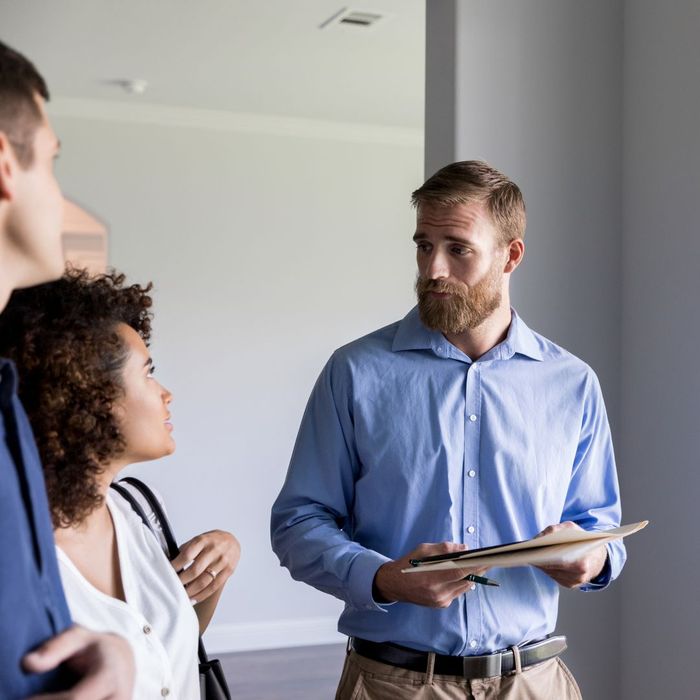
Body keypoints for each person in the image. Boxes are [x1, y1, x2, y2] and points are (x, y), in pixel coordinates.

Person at [271, 160, 625, 699]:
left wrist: (591, 558)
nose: (433, 268)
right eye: (422, 245)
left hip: (535, 682)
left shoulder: (572, 383)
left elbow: (600, 526)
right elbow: (298, 522)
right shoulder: (356, 372)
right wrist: (385, 578)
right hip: (396, 684)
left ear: (511, 255)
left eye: (458, 248)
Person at [0, 268, 241, 698]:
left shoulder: (139, 509)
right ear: (90, 396)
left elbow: (167, 652)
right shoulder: (16, 552)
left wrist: (215, 571)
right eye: (149, 372)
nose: (166, 393)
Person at [0, 40, 134, 698]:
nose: (60, 196)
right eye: (51, 163)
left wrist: (101, 651)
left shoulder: (7, 402)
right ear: (3, 164)